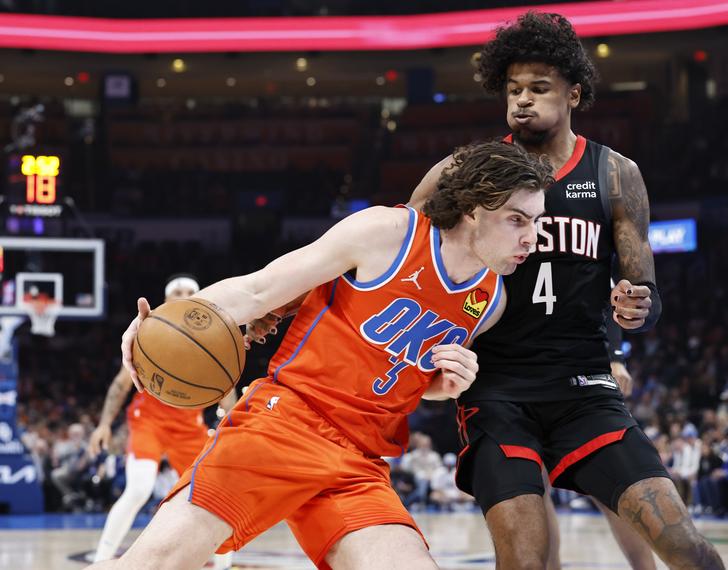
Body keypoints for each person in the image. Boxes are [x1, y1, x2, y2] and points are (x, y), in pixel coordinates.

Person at [88, 139, 555, 570]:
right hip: (283, 424)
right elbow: (259, 290)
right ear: (473, 209)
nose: (531, 237)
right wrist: (166, 321)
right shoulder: (387, 233)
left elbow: (414, 382)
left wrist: (445, 385)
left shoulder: (491, 301)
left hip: (359, 462)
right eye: (517, 219)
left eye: (537, 221)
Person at [406, 12, 723, 569]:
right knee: (529, 558)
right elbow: (395, 248)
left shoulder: (614, 173)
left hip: (585, 386)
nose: (521, 100)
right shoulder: (464, 171)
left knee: (686, 546)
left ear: (574, 94)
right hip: (496, 388)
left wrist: (636, 308)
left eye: (538, 88)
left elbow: (643, 293)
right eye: (512, 89)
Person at [88, 275, 236, 568]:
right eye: (177, 291)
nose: (184, 294)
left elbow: (227, 389)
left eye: (190, 291)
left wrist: (229, 425)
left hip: (188, 425)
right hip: (149, 420)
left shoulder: (216, 335)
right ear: (166, 300)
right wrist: (105, 424)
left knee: (214, 494)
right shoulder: (150, 331)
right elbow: (121, 384)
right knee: (140, 487)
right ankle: (103, 559)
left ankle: (225, 564)